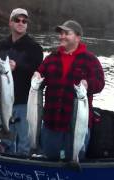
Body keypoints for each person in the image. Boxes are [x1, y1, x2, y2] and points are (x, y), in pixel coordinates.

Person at [34, 20, 105, 160]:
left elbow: (100, 83)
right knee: (50, 161)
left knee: (75, 161)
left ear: (78, 37)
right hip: (51, 123)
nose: (62, 36)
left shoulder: (91, 60)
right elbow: (40, 79)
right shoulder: (51, 58)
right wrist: (36, 76)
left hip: (78, 126)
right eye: (61, 33)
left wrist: (88, 83)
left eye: (67, 33)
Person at [0, 8, 43, 155]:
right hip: (3, 100)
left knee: (24, 143)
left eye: (24, 21)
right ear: (10, 23)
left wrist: (19, 67)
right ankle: (5, 162)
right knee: (5, 141)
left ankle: (24, 167)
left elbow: (38, 74)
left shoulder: (35, 48)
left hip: (25, 102)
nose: (21, 23)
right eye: (17, 20)